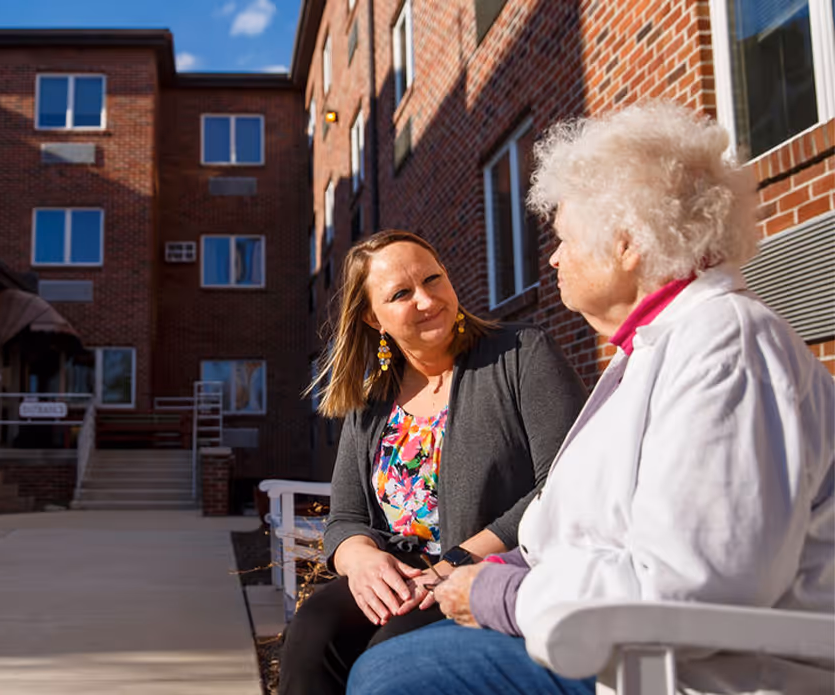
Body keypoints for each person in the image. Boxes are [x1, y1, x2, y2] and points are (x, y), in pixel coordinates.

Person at [348, 102, 835, 695]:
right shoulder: (653, 350)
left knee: (390, 676)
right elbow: (584, 528)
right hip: (614, 642)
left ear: (627, 244)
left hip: (686, 673)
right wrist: (500, 566)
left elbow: (694, 587)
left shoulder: (725, 345)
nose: (553, 257)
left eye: (565, 238)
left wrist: (497, 591)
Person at [277, 230, 587, 695]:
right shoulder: (371, 400)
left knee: (384, 657)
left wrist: (455, 563)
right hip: (403, 574)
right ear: (371, 317)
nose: (427, 299)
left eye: (432, 279)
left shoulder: (521, 353)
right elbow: (346, 518)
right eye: (401, 294)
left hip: (491, 571)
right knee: (311, 634)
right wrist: (361, 561)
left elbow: (564, 486)